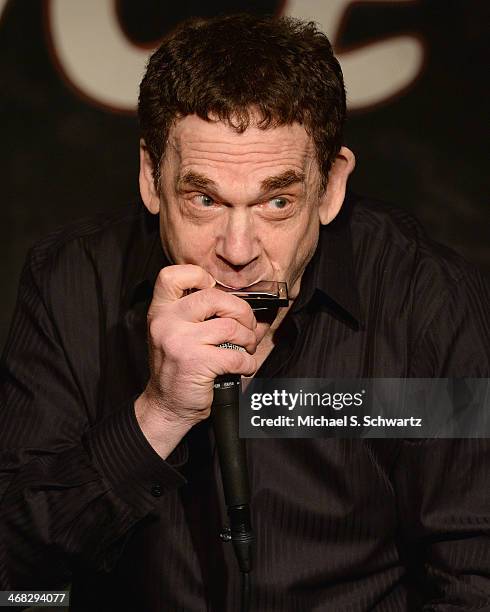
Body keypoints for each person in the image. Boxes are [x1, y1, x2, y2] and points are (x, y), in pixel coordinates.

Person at [1, 13, 489, 612]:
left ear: (331, 186)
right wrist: (159, 414)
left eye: (277, 202)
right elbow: (16, 573)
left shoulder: (425, 298)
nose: (237, 251)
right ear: (152, 178)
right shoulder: (70, 282)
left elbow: (474, 570)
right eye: (204, 199)